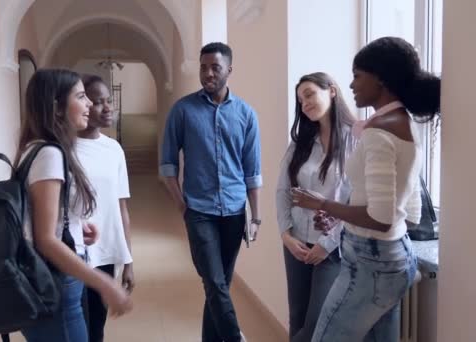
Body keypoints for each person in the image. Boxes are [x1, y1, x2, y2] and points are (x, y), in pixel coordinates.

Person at [292, 37, 440, 342]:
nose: (351, 84)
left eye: (358, 75)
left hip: (371, 263)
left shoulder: (380, 130)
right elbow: (407, 214)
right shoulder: (406, 124)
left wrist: (324, 205)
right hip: (395, 256)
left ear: (381, 78)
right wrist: (342, 219)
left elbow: (381, 218)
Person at [15, 69, 132, 342]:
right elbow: (45, 240)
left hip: (52, 281)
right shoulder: (49, 154)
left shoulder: (36, 147)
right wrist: (103, 282)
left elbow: (41, 220)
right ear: (57, 108)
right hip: (57, 281)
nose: (90, 104)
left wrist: (77, 226)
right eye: (81, 97)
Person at [160, 42, 262, 342]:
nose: (207, 73)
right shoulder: (183, 110)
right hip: (199, 212)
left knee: (219, 285)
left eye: (215, 67)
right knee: (215, 283)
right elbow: (167, 164)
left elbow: (252, 171)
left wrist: (256, 217)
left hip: (233, 212)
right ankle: (235, 338)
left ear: (229, 70)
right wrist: (182, 206)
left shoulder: (246, 114)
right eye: (203, 67)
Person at [276, 72, 356, 342]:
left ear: (331, 91)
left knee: (317, 324)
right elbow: (282, 190)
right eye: (300, 99)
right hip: (296, 243)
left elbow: (358, 202)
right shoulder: (300, 143)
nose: (304, 103)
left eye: (309, 94)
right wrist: (286, 234)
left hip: (332, 250)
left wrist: (329, 242)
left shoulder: (355, 140)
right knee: (297, 317)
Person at [76, 74, 135, 342]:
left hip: (106, 255)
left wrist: (129, 262)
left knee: (96, 329)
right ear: (84, 106)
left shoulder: (114, 149)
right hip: (74, 253)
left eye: (109, 100)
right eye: (98, 102)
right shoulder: (64, 149)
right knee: (78, 327)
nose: (108, 107)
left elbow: (121, 209)